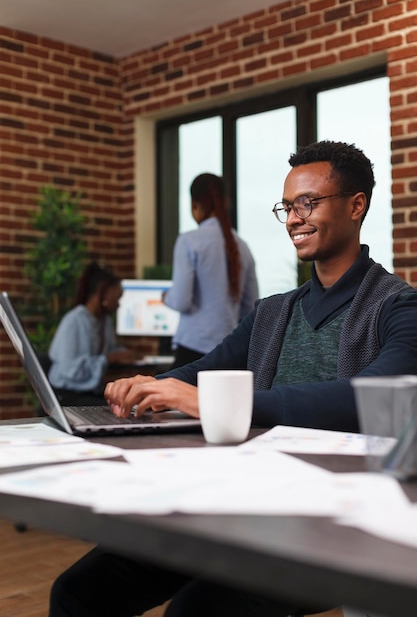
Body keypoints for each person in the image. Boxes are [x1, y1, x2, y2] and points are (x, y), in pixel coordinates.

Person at [49, 141, 417, 617]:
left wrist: (225, 407)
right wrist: (148, 385)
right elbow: (203, 371)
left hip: (328, 524)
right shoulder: (272, 312)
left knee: (195, 611)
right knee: (79, 591)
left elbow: (375, 396)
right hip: (238, 504)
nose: (293, 218)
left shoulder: (400, 307)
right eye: (287, 206)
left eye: (308, 203)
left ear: (356, 204)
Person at [163, 172, 259, 367]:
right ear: (225, 203)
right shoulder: (242, 247)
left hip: (192, 351)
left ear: (195, 204)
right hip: (229, 352)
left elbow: (181, 301)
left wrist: (166, 297)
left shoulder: (188, 241)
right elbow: (250, 307)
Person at [48, 262, 136, 402]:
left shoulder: (104, 321)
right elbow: (70, 369)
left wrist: (123, 354)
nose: (119, 304)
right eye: (117, 297)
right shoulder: (74, 321)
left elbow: (108, 350)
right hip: (67, 395)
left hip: (90, 392)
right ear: (103, 293)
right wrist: (108, 358)